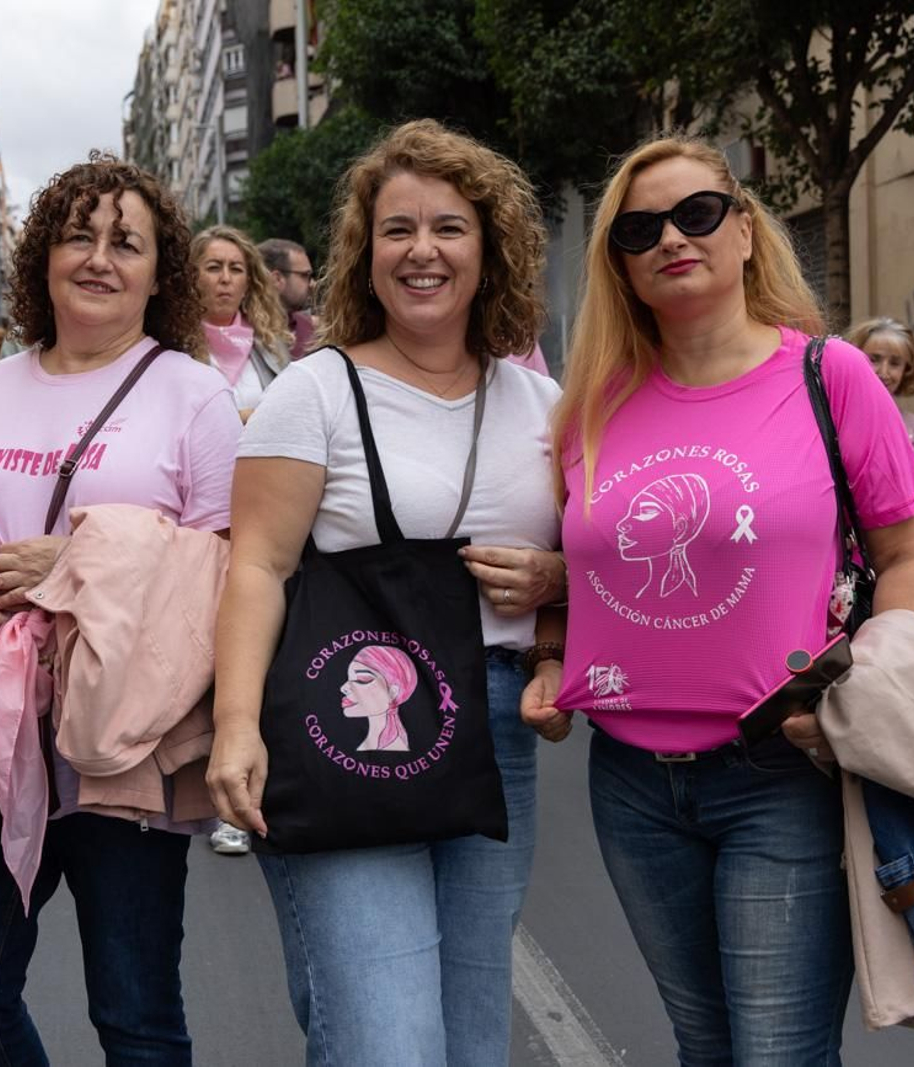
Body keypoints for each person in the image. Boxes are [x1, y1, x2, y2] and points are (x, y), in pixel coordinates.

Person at [526, 135, 914, 1064]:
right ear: (621, 265)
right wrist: (552, 658)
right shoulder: (590, 404)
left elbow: (908, 549)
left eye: (698, 213)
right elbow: (575, 563)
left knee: (778, 1053)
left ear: (745, 232)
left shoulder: (829, 375)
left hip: (783, 770)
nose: (672, 236)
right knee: (704, 1044)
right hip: (630, 781)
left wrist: (868, 680)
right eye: (640, 228)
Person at [208, 119, 565, 1066]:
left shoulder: (542, 404)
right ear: (365, 257)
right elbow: (257, 565)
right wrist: (237, 726)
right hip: (346, 724)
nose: (422, 250)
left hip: (495, 727)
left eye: (449, 227)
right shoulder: (314, 391)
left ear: (490, 250)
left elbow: (585, 561)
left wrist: (558, 605)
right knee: (386, 1040)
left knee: (473, 1039)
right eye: (397, 229)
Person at [0, 154, 241, 1066]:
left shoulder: (192, 392)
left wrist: (87, 558)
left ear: (156, 271)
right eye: (78, 237)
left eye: (126, 243)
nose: (100, 258)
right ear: (43, 260)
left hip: (129, 735)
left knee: (134, 1010)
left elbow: (227, 566)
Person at [193, 224, 291, 421]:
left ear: (248, 283)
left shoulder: (272, 346)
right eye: (214, 268)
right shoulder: (174, 346)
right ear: (192, 277)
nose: (226, 278)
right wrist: (238, 418)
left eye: (236, 269)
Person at [848, 315, 914, 455]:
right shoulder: (835, 422)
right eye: (874, 360)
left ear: (907, 369)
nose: (883, 372)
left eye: (894, 363)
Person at [258, 237, 315, 359]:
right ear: (276, 279)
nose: (312, 284)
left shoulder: (308, 327)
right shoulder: (247, 334)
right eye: (305, 275)